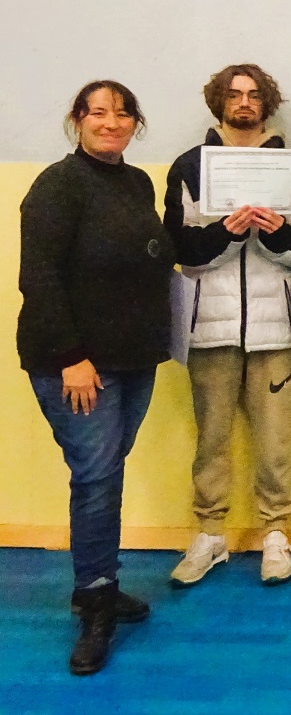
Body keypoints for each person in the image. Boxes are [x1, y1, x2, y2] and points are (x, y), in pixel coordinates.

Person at [18, 81, 175, 675]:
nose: (111, 123)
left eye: (122, 113)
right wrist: (69, 357)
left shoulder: (135, 183)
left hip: (133, 361)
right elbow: (40, 276)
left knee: (105, 475)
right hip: (78, 365)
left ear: (135, 122)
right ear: (78, 120)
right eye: (98, 113)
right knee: (96, 478)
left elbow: (153, 254)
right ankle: (96, 602)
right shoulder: (59, 184)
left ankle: (95, 586)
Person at [164, 64, 291, 587]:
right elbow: (179, 251)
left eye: (253, 95)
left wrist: (274, 237)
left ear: (266, 102)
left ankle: (276, 534)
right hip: (210, 325)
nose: (244, 103)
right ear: (219, 101)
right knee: (213, 439)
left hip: (276, 327)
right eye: (234, 94)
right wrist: (225, 234)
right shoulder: (188, 166)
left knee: (276, 441)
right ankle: (209, 535)